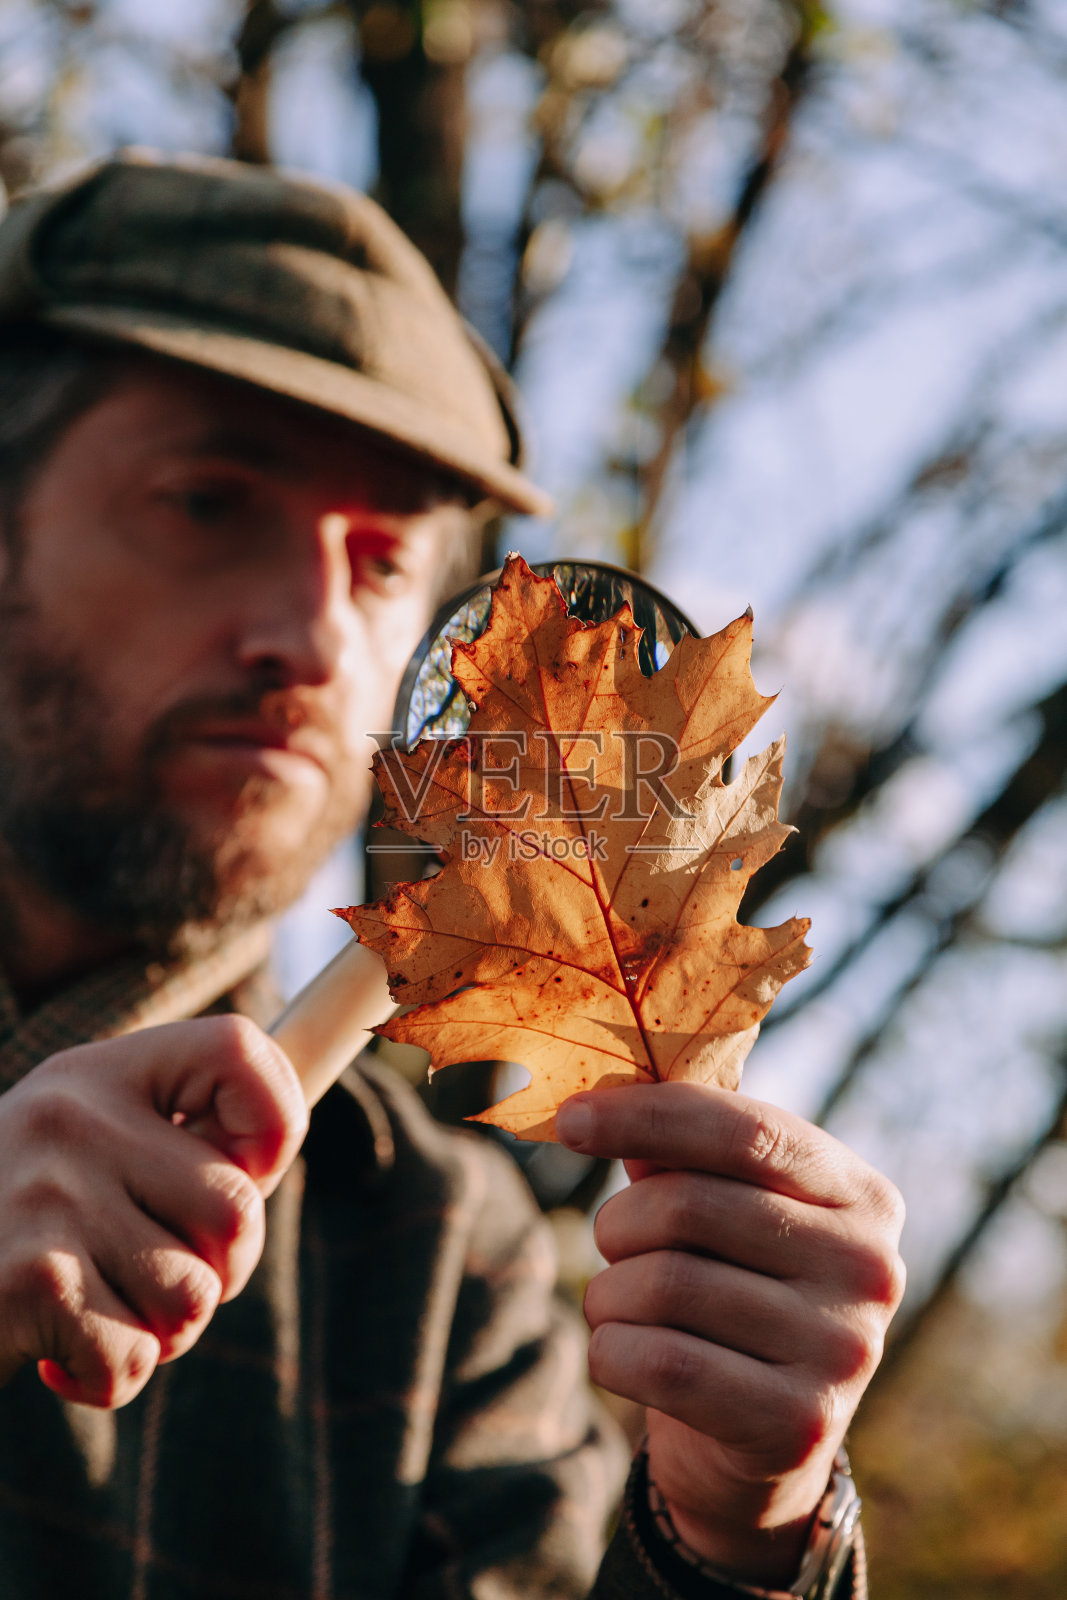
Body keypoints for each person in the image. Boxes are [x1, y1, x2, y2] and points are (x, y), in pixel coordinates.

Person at [0, 152, 905, 1600]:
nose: (311, 638)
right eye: (209, 502)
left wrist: (741, 1535)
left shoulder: (439, 1271)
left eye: (380, 566)